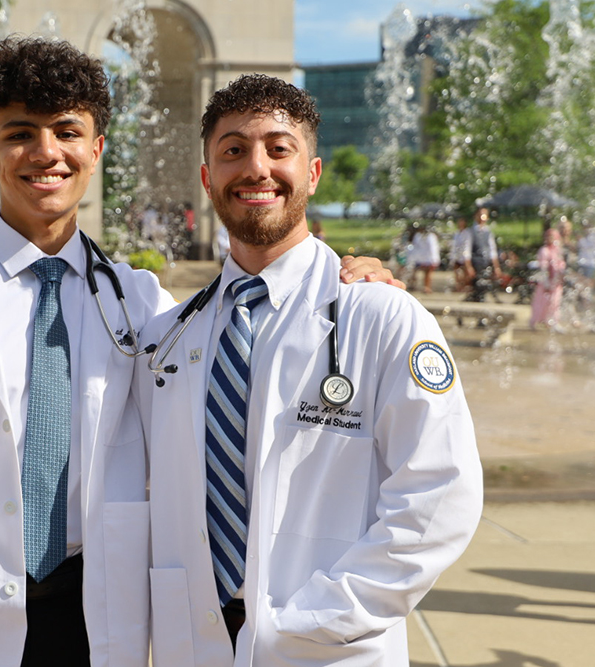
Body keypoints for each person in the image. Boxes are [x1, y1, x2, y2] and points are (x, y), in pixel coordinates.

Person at [0, 37, 396, 667]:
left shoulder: (143, 304)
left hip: (97, 620)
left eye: (68, 131)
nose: (46, 153)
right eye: (19, 134)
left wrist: (347, 272)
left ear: (95, 150)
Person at [136, 74, 483, 666]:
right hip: (194, 643)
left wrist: (325, 618)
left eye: (278, 147)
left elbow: (440, 491)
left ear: (313, 172)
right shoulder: (167, 337)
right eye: (233, 150)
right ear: (207, 179)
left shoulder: (382, 315)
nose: (256, 168)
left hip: (326, 645)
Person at [529, 228, 566, 330]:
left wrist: (561, 276)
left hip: (556, 281)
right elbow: (543, 268)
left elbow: (561, 265)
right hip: (546, 281)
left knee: (555, 302)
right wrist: (546, 283)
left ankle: (553, 321)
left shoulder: (557, 250)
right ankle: (535, 320)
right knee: (542, 302)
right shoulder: (544, 251)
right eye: (548, 236)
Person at [463, 206, 501, 302]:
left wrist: (496, 267)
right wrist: (468, 267)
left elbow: (492, 250)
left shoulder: (488, 232)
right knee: (477, 287)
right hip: (476, 263)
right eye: (480, 215)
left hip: (486, 263)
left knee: (485, 286)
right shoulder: (470, 232)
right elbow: (466, 250)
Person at [409, 224, 440, 294]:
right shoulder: (430, 236)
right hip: (427, 258)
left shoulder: (419, 236)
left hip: (422, 258)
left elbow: (415, 247)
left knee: (420, 272)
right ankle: (426, 287)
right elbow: (433, 248)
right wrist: (435, 259)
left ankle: (420, 286)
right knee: (427, 273)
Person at [449, 216, 472, 291]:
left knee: (466, 271)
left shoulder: (467, 233)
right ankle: (459, 285)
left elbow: (466, 245)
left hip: (465, 255)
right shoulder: (457, 233)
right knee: (457, 271)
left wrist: (466, 256)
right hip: (457, 255)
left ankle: (465, 285)